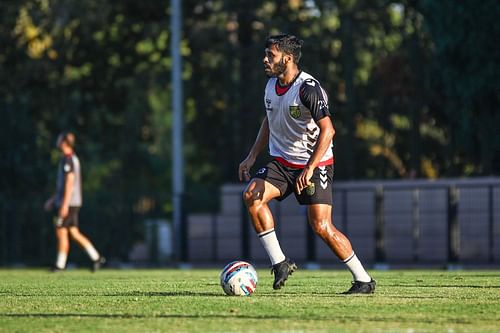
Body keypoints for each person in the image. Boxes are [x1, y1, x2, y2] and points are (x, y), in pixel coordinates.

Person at [238, 34, 375, 294]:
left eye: (271, 55)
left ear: (287, 59)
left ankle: (363, 280)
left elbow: (329, 131)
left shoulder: (308, 88)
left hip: (316, 163)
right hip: (281, 162)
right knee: (251, 196)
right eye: (266, 55)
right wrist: (252, 155)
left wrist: (310, 168)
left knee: (321, 226)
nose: (265, 59)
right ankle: (280, 262)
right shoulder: (270, 86)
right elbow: (269, 120)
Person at [44, 132, 105, 272]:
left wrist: (64, 204)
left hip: (69, 203)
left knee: (60, 230)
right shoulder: (69, 158)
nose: (57, 141)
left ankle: (60, 265)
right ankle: (96, 257)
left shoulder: (68, 159)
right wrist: (53, 200)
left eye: (59, 139)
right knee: (73, 232)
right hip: (71, 202)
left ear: (64, 142)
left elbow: (69, 182)